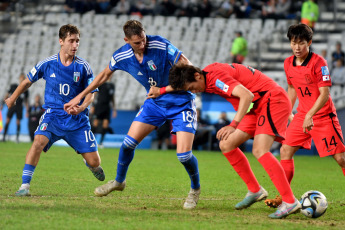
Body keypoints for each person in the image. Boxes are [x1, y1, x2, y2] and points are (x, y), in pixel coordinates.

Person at [64, 20, 201, 210]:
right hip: (154, 103)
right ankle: (119, 181)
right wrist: (79, 97)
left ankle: (195, 189)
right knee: (127, 144)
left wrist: (164, 89)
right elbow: (104, 75)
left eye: (144, 39)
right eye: (137, 43)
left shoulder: (160, 45)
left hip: (181, 102)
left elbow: (189, 68)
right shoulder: (122, 56)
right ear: (126, 40)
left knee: (184, 156)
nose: (143, 45)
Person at [166, 63, 301, 219]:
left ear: (197, 76)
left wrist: (233, 124)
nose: (193, 92)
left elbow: (247, 95)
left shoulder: (216, 78)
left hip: (270, 99)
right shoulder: (204, 76)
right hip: (255, 106)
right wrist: (161, 90)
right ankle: (255, 190)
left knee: (260, 149)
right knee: (226, 144)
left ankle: (290, 201)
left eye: (192, 87)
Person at [5, 24, 105, 197]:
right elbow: (27, 81)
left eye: (77, 41)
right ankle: (24, 186)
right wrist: (12, 98)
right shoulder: (48, 64)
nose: (75, 45)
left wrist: (81, 107)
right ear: (61, 41)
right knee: (37, 142)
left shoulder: (83, 67)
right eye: (71, 41)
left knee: (95, 162)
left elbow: (91, 94)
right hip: (53, 117)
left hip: (77, 121)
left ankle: (88, 162)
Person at [265, 24, 345, 208]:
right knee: (285, 150)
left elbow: (324, 94)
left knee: (341, 159)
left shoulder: (319, 63)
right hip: (302, 115)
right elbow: (292, 88)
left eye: (301, 43)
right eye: (294, 43)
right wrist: (287, 112)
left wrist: (310, 114)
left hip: (323, 116)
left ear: (309, 42)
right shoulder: (287, 63)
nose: (297, 47)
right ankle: (284, 198)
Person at [1, 73, 29, 143]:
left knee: (18, 122)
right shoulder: (14, 86)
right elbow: (7, 95)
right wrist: (2, 104)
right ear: (19, 78)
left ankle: (17, 138)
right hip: (13, 105)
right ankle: (4, 137)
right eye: (21, 78)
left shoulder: (26, 90)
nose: (22, 79)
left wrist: (27, 110)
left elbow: (26, 101)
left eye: (23, 78)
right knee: (8, 120)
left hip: (19, 107)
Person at [91, 78, 116, 147]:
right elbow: (95, 94)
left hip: (107, 107)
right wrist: (93, 105)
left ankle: (100, 143)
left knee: (105, 125)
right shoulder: (101, 84)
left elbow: (112, 98)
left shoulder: (112, 85)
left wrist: (114, 109)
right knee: (95, 123)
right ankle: (92, 141)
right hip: (99, 106)